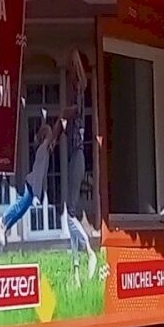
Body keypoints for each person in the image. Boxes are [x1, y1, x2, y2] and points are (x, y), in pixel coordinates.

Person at [0, 108, 71, 246]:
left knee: (21, 210)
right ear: (45, 139)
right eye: (49, 137)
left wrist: (60, 120)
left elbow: (53, 135)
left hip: (33, 185)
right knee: (20, 205)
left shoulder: (46, 150)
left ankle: (6, 226)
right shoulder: (42, 150)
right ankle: (3, 220)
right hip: (32, 184)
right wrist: (37, 195)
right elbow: (38, 173)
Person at [61, 50, 98, 286]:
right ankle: (75, 272)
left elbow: (68, 114)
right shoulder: (78, 94)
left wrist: (62, 116)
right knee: (69, 212)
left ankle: (89, 251)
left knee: (70, 213)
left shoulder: (79, 95)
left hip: (77, 156)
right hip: (75, 156)